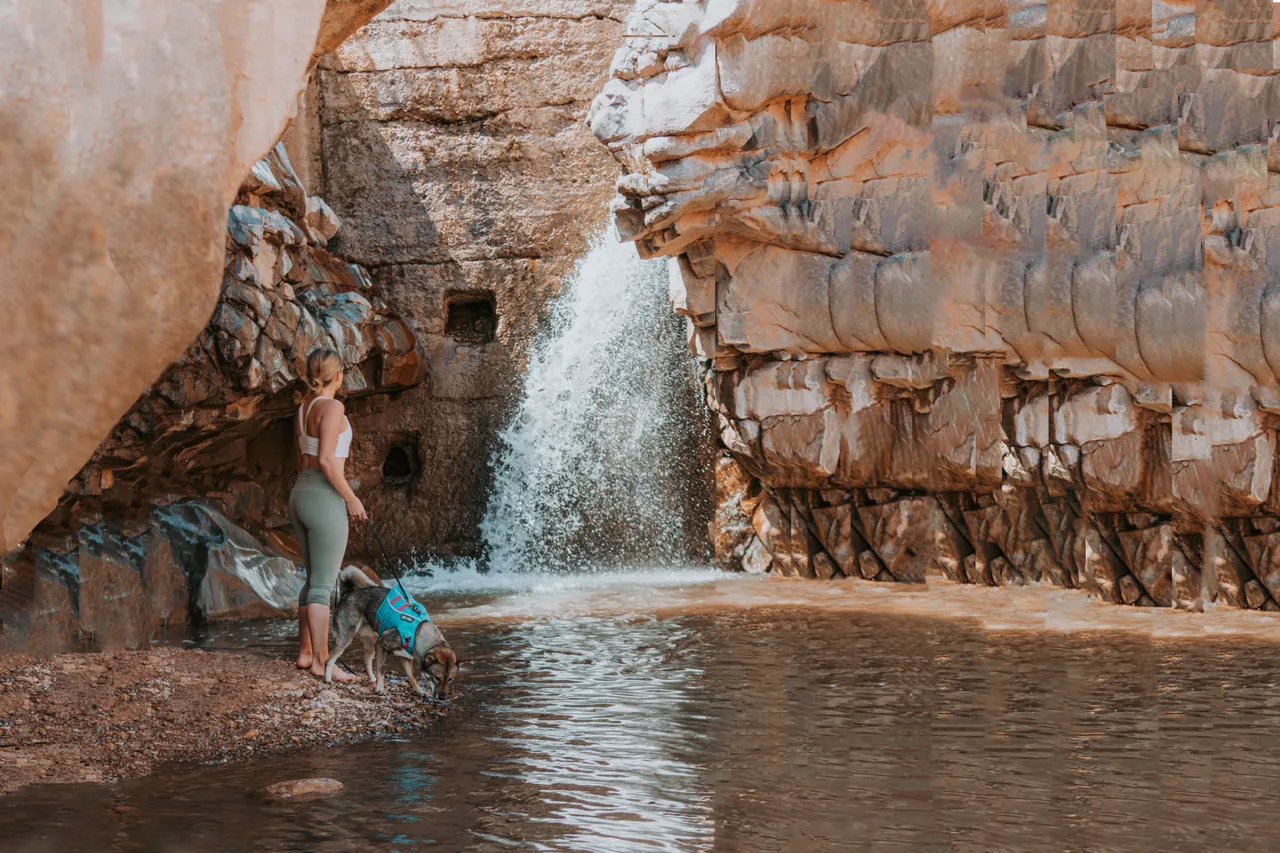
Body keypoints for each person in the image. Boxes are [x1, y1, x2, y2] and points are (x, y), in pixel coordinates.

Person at [289, 347, 367, 679]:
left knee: (312, 581)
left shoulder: (303, 407)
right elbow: (326, 460)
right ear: (338, 375)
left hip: (301, 493)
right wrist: (350, 498)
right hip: (324, 495)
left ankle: (306, 653)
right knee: (323, 586)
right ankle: (324, 663)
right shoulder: (334, 406)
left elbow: (304, 456)